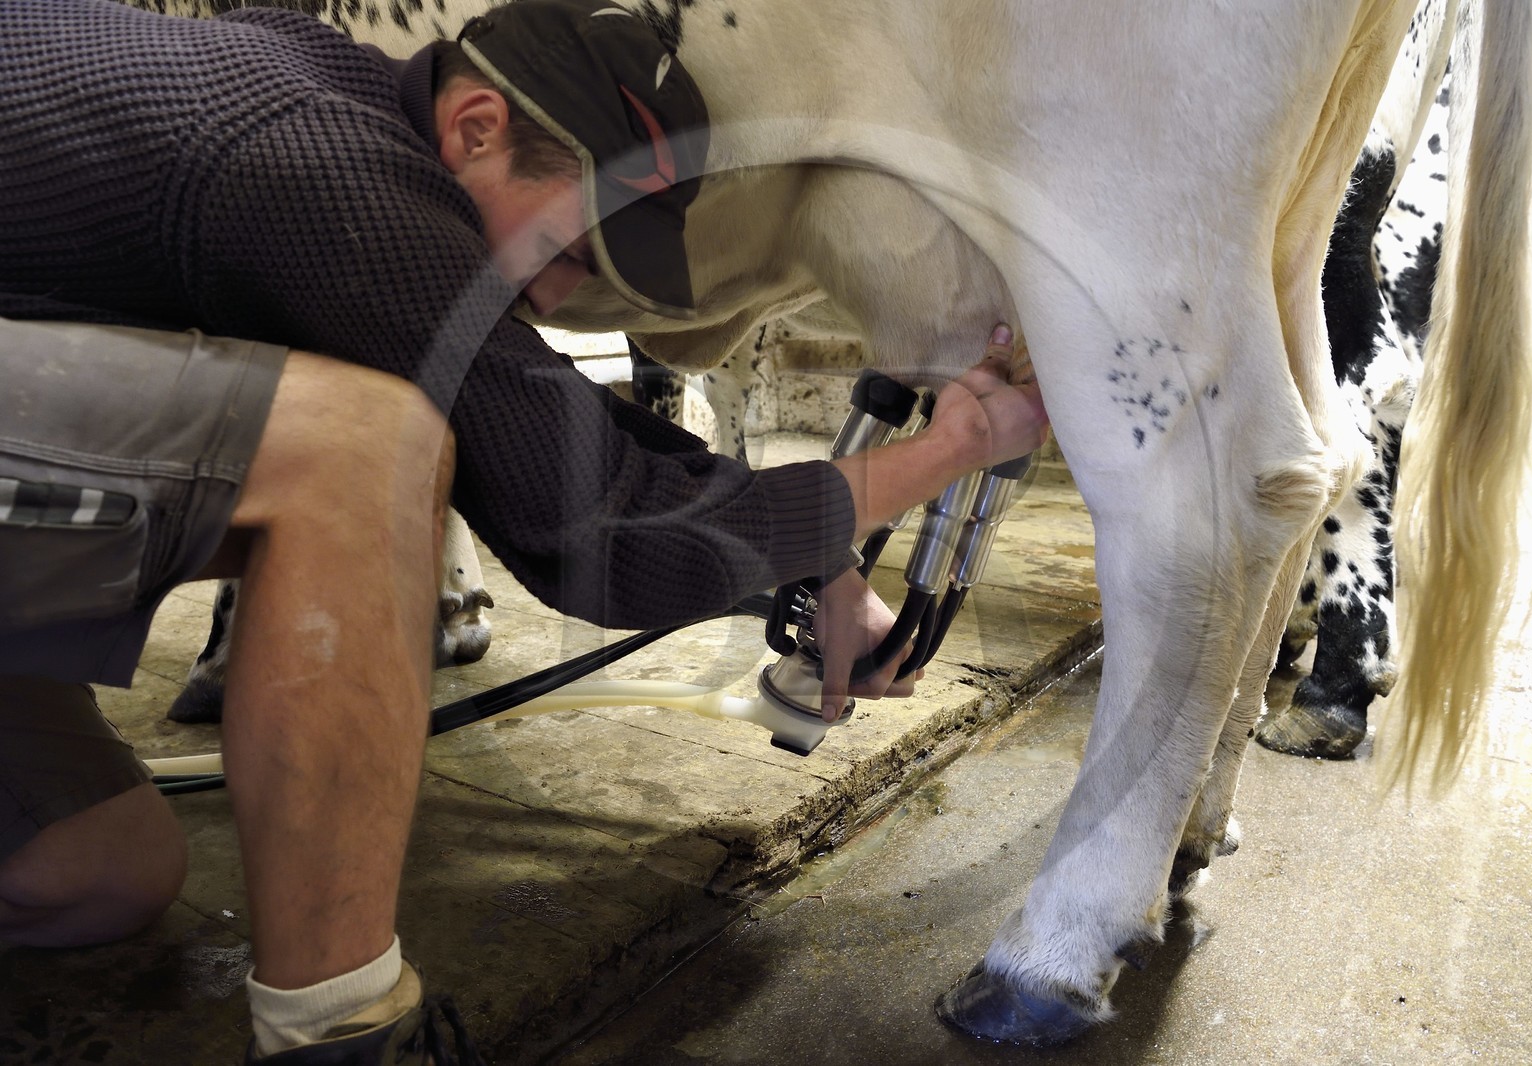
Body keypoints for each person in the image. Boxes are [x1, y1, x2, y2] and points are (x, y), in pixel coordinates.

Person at [0, 0, 1050, 1062]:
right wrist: (936, 455)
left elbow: (540, 416)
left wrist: (814, 555)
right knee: (365, 447)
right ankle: (342, 1033)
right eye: (569, 245)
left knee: (93, 877)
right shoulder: (317, 163)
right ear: (475, 127)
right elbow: (599, 528)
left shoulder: (345, 106)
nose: (562, 292)